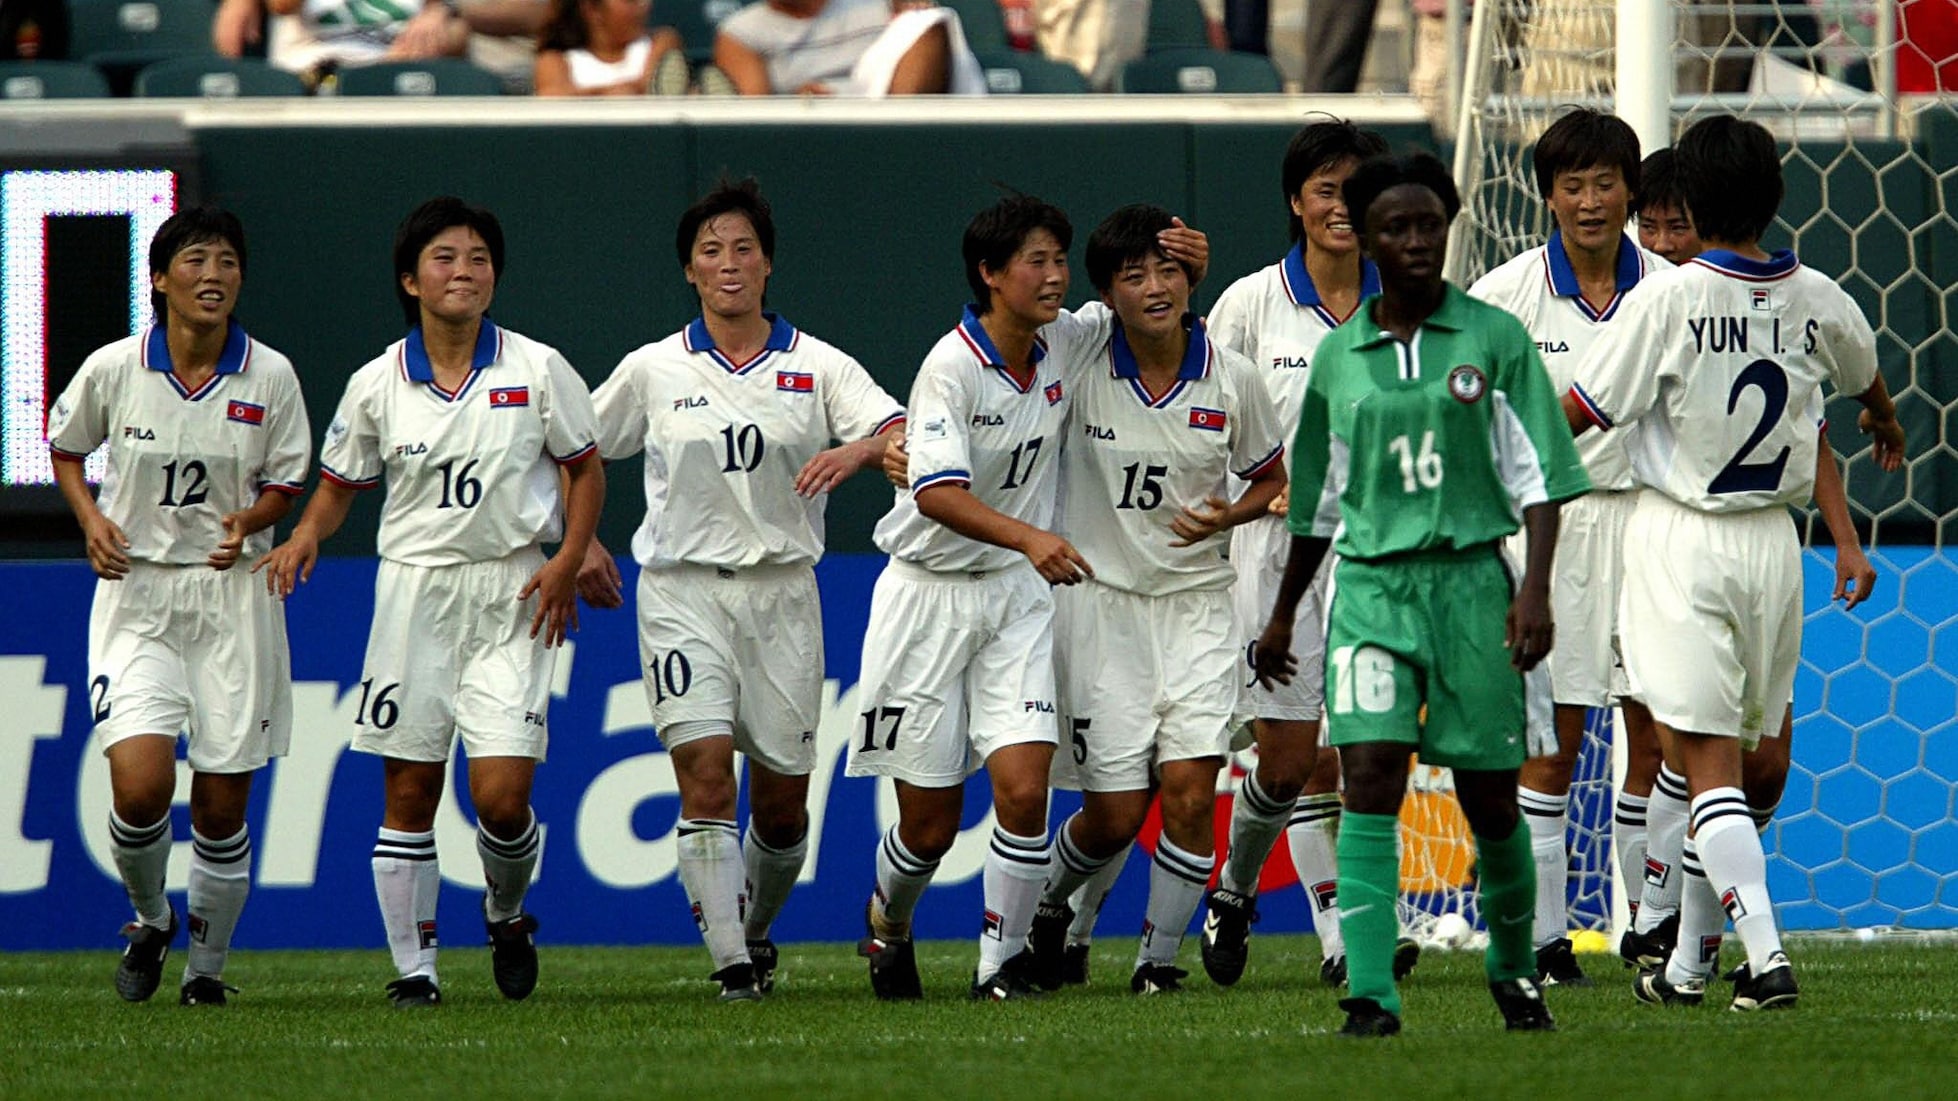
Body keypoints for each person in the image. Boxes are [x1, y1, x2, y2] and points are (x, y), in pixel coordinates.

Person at [1564, 114, 1905, 1012]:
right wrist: (1885, 418)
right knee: (1742, 768)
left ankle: (1765, 957)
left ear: (1688, 204)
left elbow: (1583, 410)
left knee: (1710, 767)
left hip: (1683, 539)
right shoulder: (1818, 295)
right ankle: (1683, 967)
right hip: (1773, 549)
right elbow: (1864, 378)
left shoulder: (1666, 300)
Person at [1252, 152, 1590, 1037]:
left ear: (1448, 228)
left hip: (1475, 586)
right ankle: (1370, 991)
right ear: (1363, 238)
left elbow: (1543, 475)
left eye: (1427, 225)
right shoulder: (1337, 357)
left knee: (1488, 799)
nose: (1412, 241)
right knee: (1368, 777)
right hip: (1368, 591)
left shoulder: (1494, 338)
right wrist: (1286, 611)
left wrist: (1537, 591)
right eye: (1393, 227)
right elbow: (1317, 501)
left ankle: (1514, 966)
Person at [848, 195, 1206, 1001]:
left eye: (1058, 260)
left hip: (1015, 599)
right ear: (990, 274)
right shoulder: (950, 365)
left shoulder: (1066, 341)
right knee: (930, 826)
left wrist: (1188, 271)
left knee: (1022, 786)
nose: (1054, 276)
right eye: (1035, 261)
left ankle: (997, 965)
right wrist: (1029, 536)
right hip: (928, 598)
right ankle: (889, 921)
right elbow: (937, 493)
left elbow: (1145, 311)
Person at [256, 197, 604, 1008]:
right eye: (445, 258)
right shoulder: (378, 382)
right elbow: (340, 486)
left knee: (502, 798)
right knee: (409, 790)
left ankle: (507, 910)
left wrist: (566, 558)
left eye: (479, 257)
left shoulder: (538, 367)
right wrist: (307, 533)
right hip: (413, 590)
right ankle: (415, 970)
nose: (465, 271)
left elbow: (584, 469)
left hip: (511, 587)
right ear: (411, 280)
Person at [577, 179, 905, 1000]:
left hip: (785, 593)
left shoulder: (816, 363)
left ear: (768, 263)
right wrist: (573, 544)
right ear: (689, 269)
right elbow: (572, 446)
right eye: (711, 250)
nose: (729, 264)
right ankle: (731, 965)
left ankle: (751, 929)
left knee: (784, 807)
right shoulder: (653, 367)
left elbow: (897, 425)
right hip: (682, 590)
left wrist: (859, 453)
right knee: (705, 776)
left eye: (743, 248)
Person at [48, 207, 311, 1008]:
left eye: (228, 261)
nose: (214, 275)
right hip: (139, 594)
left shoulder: (270, 374)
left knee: (223, 803)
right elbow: (65, 446)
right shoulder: (113, 368)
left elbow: (288, 478)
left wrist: (252, 521)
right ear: (160, 278)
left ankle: (206, 970)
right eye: (196, 259)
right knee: (140, 784)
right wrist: (92, 518)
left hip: (232, 597)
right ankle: (150, 914)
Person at [1023, 204, 1284, 996]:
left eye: (1168, 270)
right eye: (1134, 275)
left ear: (1190, 279)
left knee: (1191, 790)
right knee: (1111, 814)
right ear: (1107, 294)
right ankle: (1048, 906)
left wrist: (1231, 512)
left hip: (1200, 606)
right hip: (1102, 610)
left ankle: (1156, 961)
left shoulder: (1232, 377)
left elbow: (1273, 478)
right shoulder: (1083, 353)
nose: (1155, 287)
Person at [1465, 108, 1668, 988]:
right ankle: (1546, 939)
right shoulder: (1504, 293)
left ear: (1631, 191)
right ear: (1547, 194)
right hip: (1550, 532)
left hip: (1659, 523)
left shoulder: (1671, 286)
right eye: (1573, 185)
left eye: (1606, 183)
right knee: (1552, 737)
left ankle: (1651, 926)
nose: (1590, 201)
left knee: (1659, 729)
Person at [1198, 117, 1390, 993]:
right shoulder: (1247, 305)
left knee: (1363, 750)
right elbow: (1203, 421)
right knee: (1286, 760)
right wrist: (1247, 498)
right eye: (1326, 191)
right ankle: (1236, 886)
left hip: (1379, 549)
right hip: (1275, 553)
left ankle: (1346, 937)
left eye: (1357, 191)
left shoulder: (1413, 300)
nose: (1341, 208)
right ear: (1296, 202)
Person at [713, 0, 984, 96]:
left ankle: (902, 135)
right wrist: (796, 103)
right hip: (813, 130)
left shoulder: (878, 3)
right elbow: (756, 114)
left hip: (889, 100)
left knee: (930, 24)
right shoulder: (740, 31)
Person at [532, 0, 687, 95]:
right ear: (592, 9)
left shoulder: (663, 41)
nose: (645, 5)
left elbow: (653, 86)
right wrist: (613, 93)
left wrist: (586, 95)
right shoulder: (555, 59)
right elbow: (552, 97)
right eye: (630, 0)